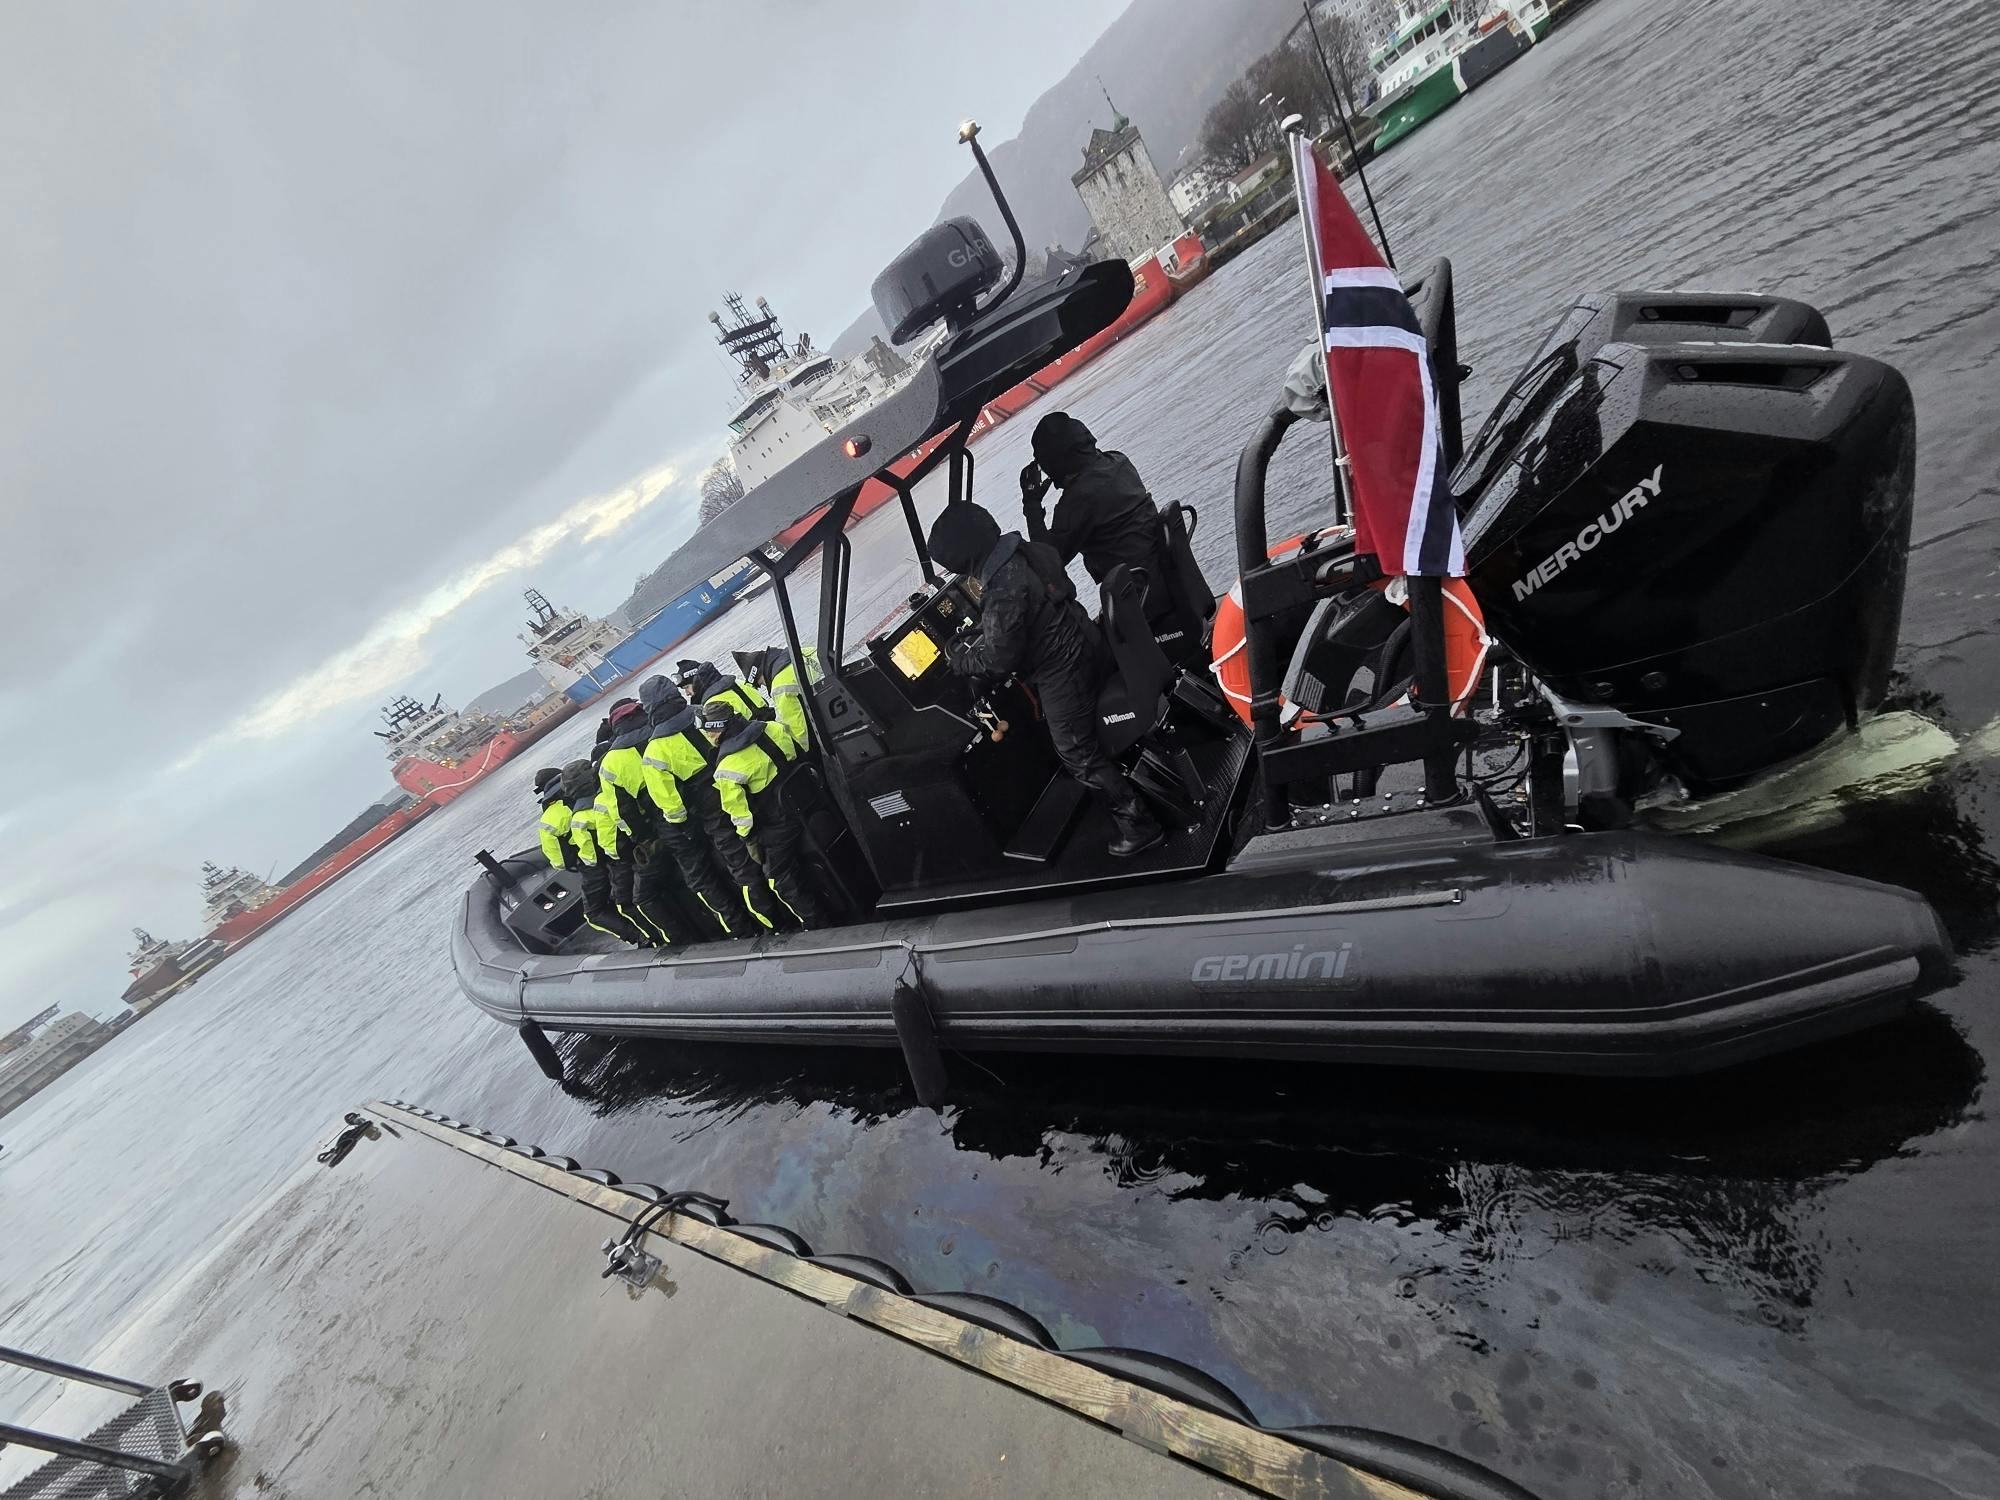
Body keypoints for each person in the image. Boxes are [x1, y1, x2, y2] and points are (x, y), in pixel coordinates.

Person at [928, 499, 1164, 858]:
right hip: (1091, 646)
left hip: (1064, 673)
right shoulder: (1031, 552)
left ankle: (1138, 825)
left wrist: (960, 660)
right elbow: (1032, 610)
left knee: (1075, 753)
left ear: (961, 557)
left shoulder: (1002, 589)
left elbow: (997, 661)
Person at [631, 675, 764, 937]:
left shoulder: (654, 753)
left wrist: (688, 827)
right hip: (748, 790)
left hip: (713, 814)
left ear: (649, 708)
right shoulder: (705, 712)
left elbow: (673, 810)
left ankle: (756, 930)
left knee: (743, 870)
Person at [1019, 411, 1172, 623]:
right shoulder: (1118, 460)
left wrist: (1031, 503)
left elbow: (1048, 561)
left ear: (1058, 460)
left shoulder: (1081, 497)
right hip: (1168, 582)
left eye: (1046, 465)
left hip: (1143, 602)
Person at [699, 699, 830, 928]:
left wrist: (748, 841)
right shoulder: (773, 728)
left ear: (719, 728)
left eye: (709, 730)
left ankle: (816, 923)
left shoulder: (727, 769)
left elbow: (741, 816)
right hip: (810, 799)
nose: (708, 736)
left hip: (781, 824)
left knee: (777, 878)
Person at [595, 698, 699, 945]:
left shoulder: (611, 764)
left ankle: (681, 941)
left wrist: (643, 840)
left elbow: (625, 812)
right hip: (696, 809)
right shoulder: (663, 730)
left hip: (662, 826)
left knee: (646, 895)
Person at [556, 759, 646, 944]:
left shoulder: (580, 817)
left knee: (611, 907)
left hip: (618, 863)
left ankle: (645, 937)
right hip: (641, 849)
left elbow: (591, 857)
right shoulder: (610, 792)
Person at [732, 645, 816, 749]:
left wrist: (804, 753)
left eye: (760, 684)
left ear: (759, 673)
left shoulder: (779, 687)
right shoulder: (801, 651)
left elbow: (799, 729)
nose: (765, 686)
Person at [674, 659, 770, 722]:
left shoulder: (711, 705)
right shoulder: (737, 682)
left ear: (696, 681)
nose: (687, 693)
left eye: (687, 687)